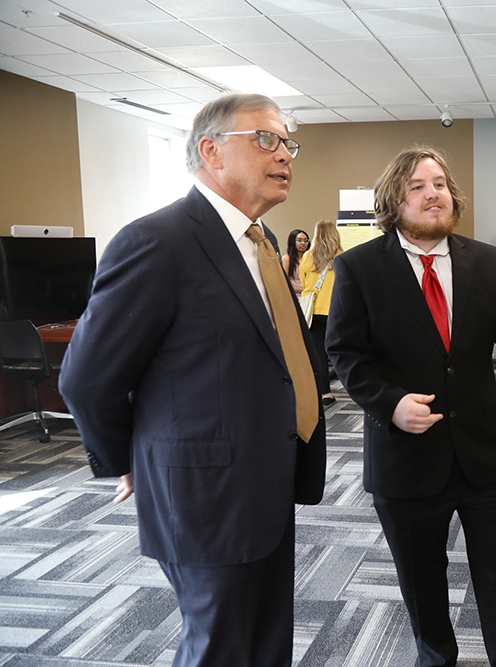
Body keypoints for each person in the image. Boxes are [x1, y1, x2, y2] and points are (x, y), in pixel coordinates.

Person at [58, 93, 327, 667]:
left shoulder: (261, 241)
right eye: (266, 140)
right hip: (204, 497)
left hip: (267, 480)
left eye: (287, 143)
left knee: (266, 642)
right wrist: (127, 460)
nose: (284, 155)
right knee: (219, 649)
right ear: (211, 150)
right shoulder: (158, 241)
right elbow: (85, 378)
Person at [327, 146, 496, 667]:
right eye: (416, 185)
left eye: (439, 183)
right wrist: (389, 405)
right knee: (424, 588)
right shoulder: (358, 268)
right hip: (406, 460)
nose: (432, 192)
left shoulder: (483, 259)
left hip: (486, 456)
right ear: (394, 199)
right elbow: (346, 355)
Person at [300, 219, 342, 406]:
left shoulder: (308, 257)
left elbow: (303, 283)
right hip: (336, 311)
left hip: (314, 312)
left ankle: (325, 393)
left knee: (318, 355)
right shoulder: (342, 257)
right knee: (340, 352)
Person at [281, 228, 309, 295]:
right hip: (294, 295)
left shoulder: (309, 259)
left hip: (307, 296)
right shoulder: (287, 259)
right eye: (299, 240)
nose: (303, 243)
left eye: (306, 241)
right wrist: (306, 290)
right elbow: (284, 284)